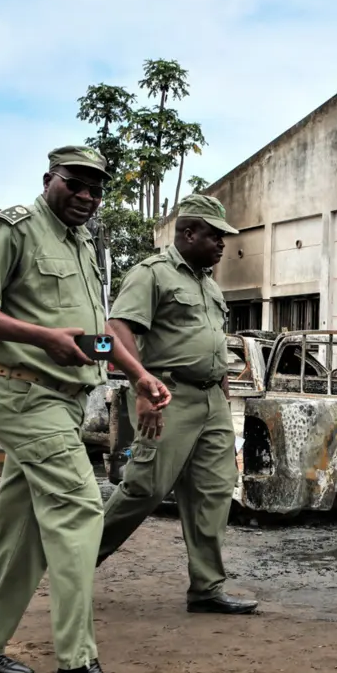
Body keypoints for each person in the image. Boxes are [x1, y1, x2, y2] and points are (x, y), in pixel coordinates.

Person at [0, 146, 172, 673]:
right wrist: (40, 337)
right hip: (23, 393)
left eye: (97, 190)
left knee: (18, 529)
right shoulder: (15, 230)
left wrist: (140, 375)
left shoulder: (84, 246)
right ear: (50, 179)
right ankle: (76, 667)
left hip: (64, 401)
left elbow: (94, 334)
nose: (87, 197)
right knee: (79, 508)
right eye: (76, 184)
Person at [96, 194, 257, 616]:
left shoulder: (208, 284)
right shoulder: (152, 274)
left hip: (211, 400)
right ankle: (76, 560)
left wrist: (222, 391)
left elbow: (213, 342)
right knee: (145, 487)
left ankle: (206, 588)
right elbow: (117, 329)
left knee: (214, 491)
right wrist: (142, 386)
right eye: (215, 235)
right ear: (188, 233)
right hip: (167, 395)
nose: (222, 244)